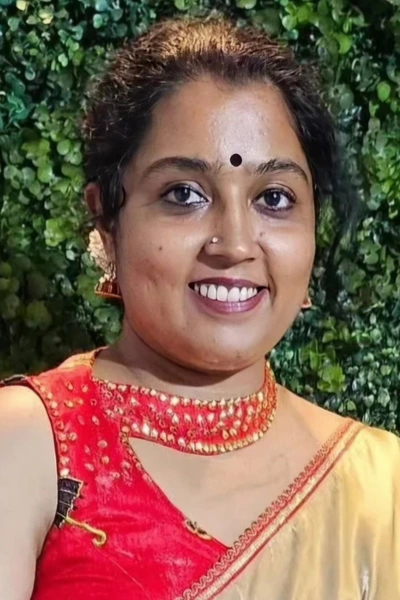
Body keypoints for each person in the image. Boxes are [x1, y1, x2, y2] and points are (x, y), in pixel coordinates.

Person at [0, 16, 399, 600]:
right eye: (184, 194)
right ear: (106, 219)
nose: (235, 244)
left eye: (274, 198)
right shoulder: (27, 443)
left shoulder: (378, 486)